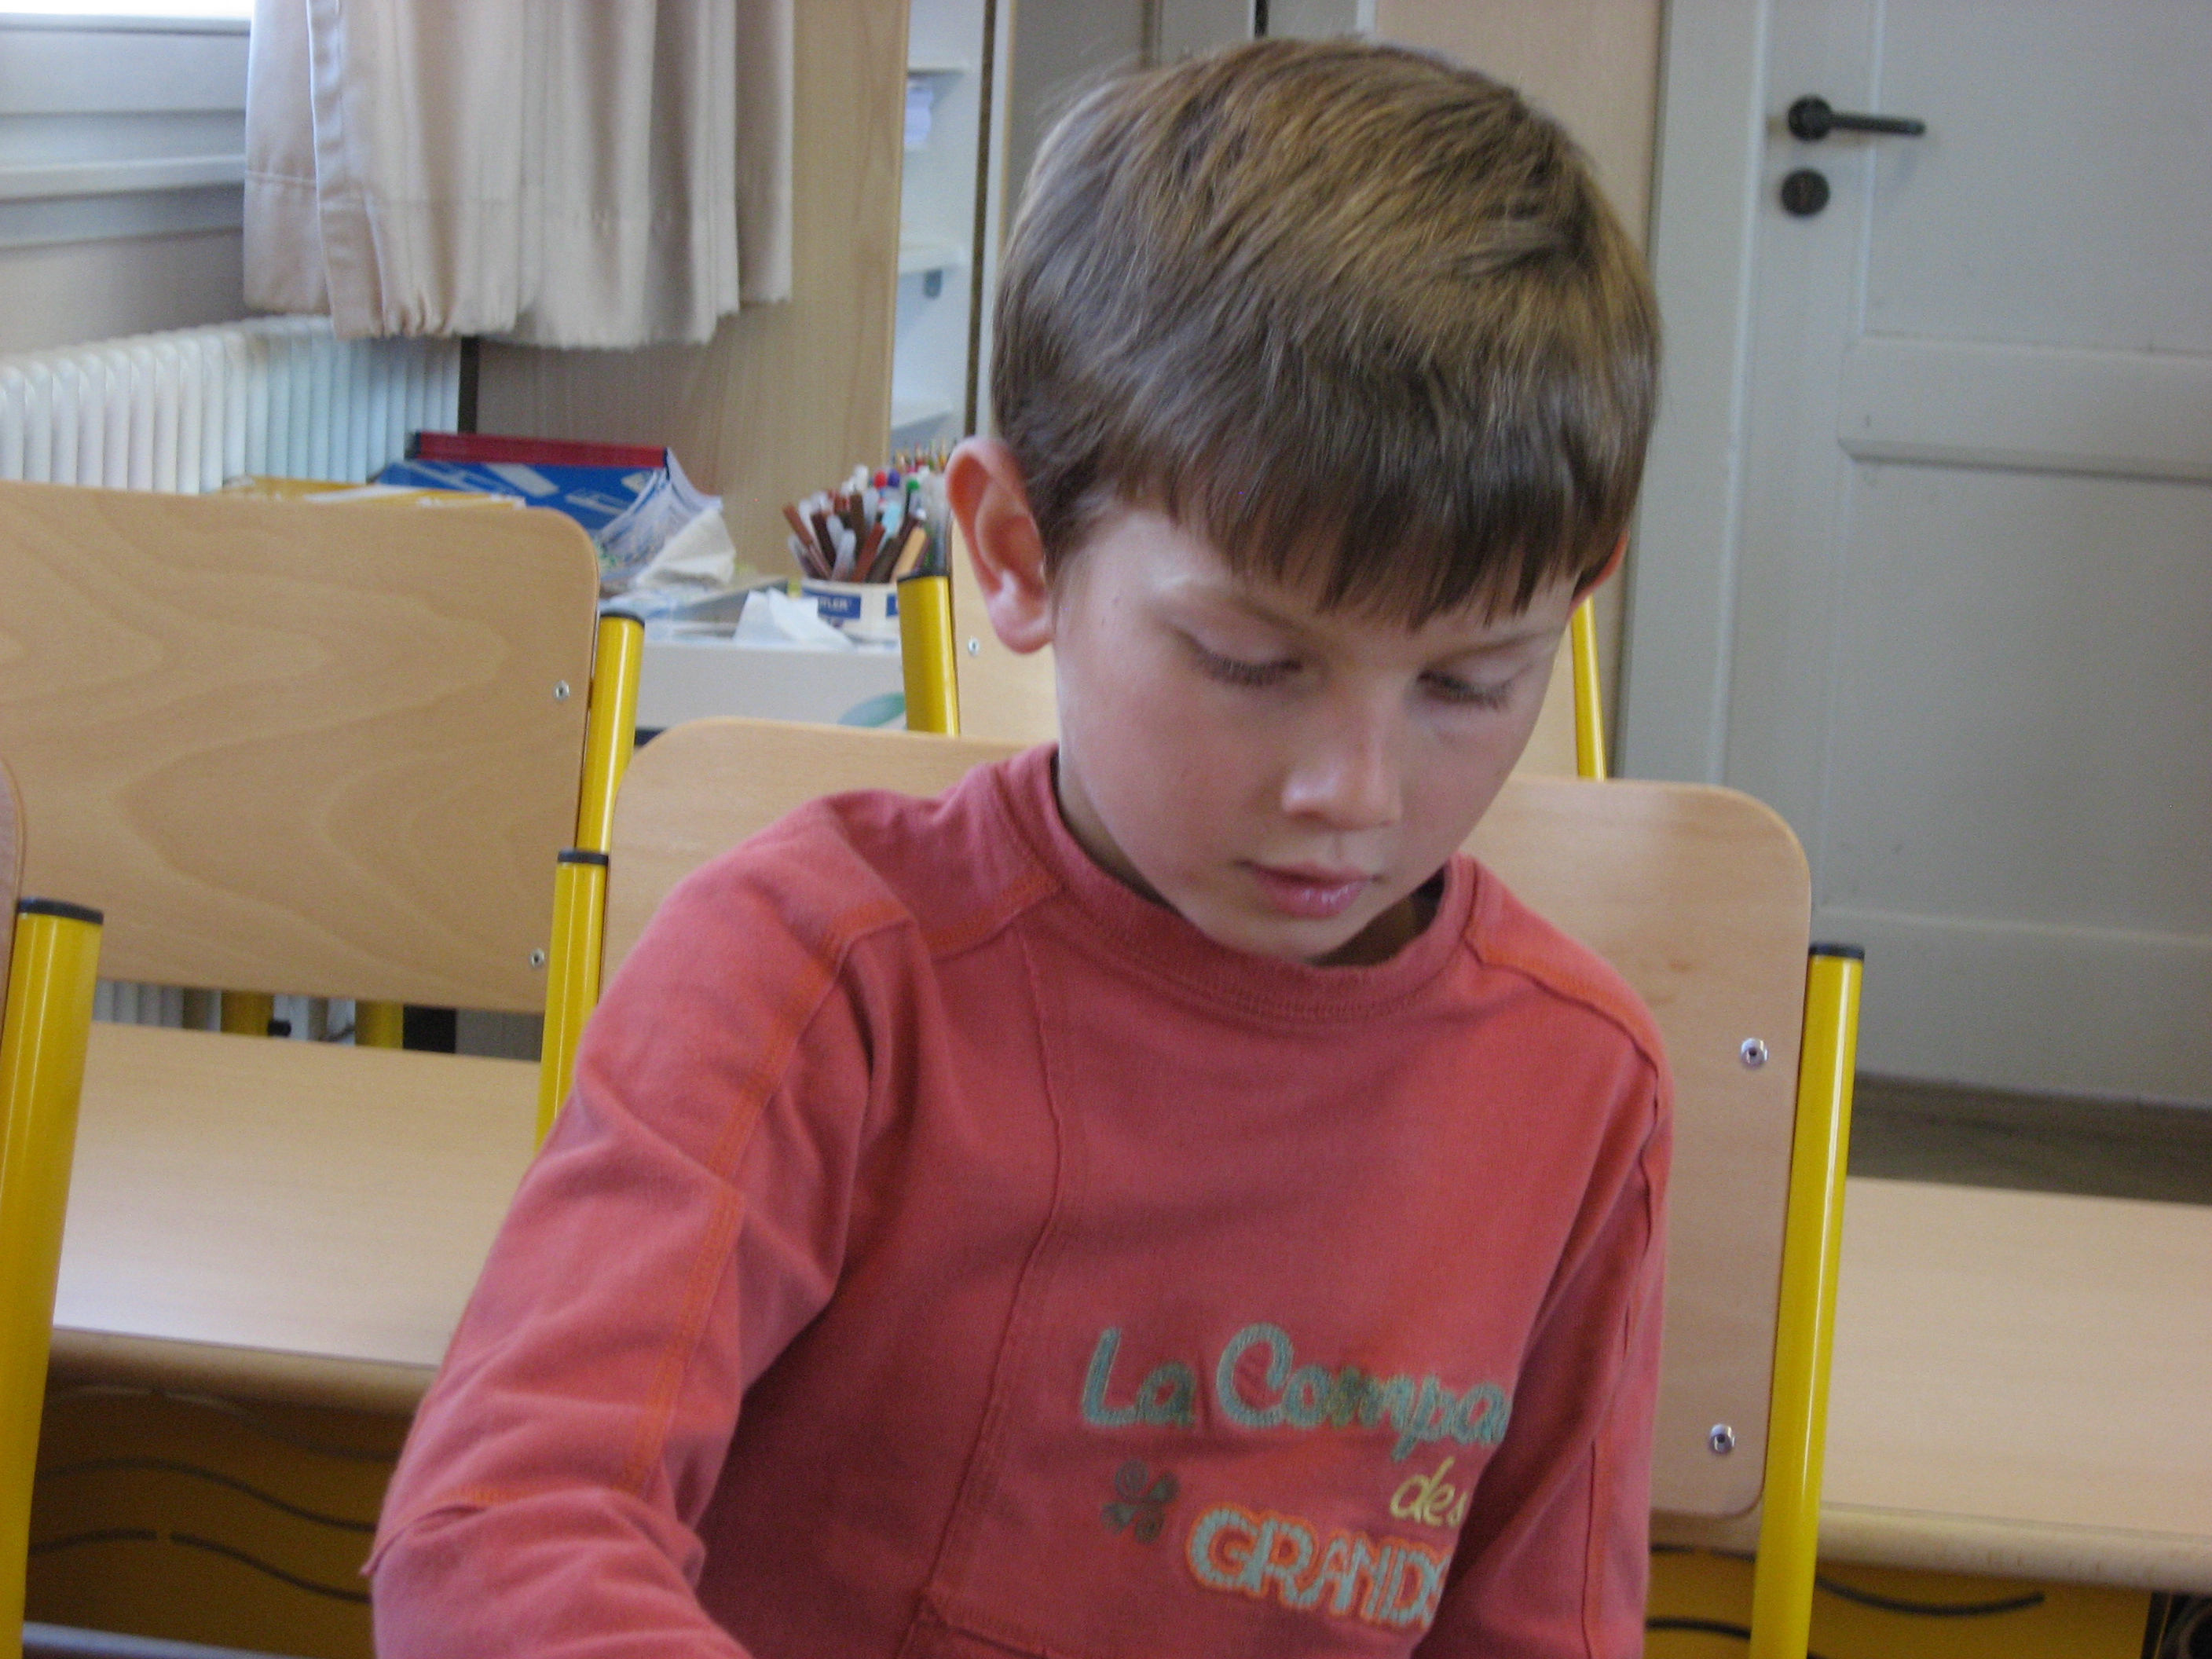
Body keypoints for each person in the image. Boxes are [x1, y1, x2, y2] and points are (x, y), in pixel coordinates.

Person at [370, 37, 1668, 1657]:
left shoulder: (1578, 1087)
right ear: (1016, 550)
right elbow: (501, 1530)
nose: (1353, 789)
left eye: (1469, 684)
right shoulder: (812, 973)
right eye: (1250, 662)